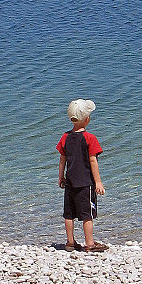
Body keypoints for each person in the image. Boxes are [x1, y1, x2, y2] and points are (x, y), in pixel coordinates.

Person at [56, 99, 109, 252]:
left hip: (70, 182)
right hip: (86, 183)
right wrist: (98, 182)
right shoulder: (90, 138)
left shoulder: (65, 137)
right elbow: (93, 161)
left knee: (69, 214)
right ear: (87, 119)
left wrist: (61, 177)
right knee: (87, 215)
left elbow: (62, 160)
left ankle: (70, 242)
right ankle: (90, 244)